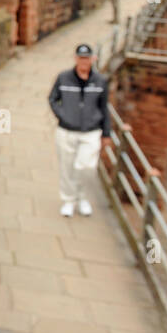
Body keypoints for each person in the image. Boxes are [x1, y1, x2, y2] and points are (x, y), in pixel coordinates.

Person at [47, 43, 112, 217]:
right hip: (66, 130)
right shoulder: (63, 78)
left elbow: (104, 107)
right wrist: (63, 115)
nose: (84, 61)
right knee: (67, 167)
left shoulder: (100, 81)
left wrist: (106, 133)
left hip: (91, 131)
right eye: (81, 58)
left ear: (93, 59)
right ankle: (68, 200)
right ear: (76, 59)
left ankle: (82, 197)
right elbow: (53, 99)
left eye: (87, 58)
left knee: (86, 167)